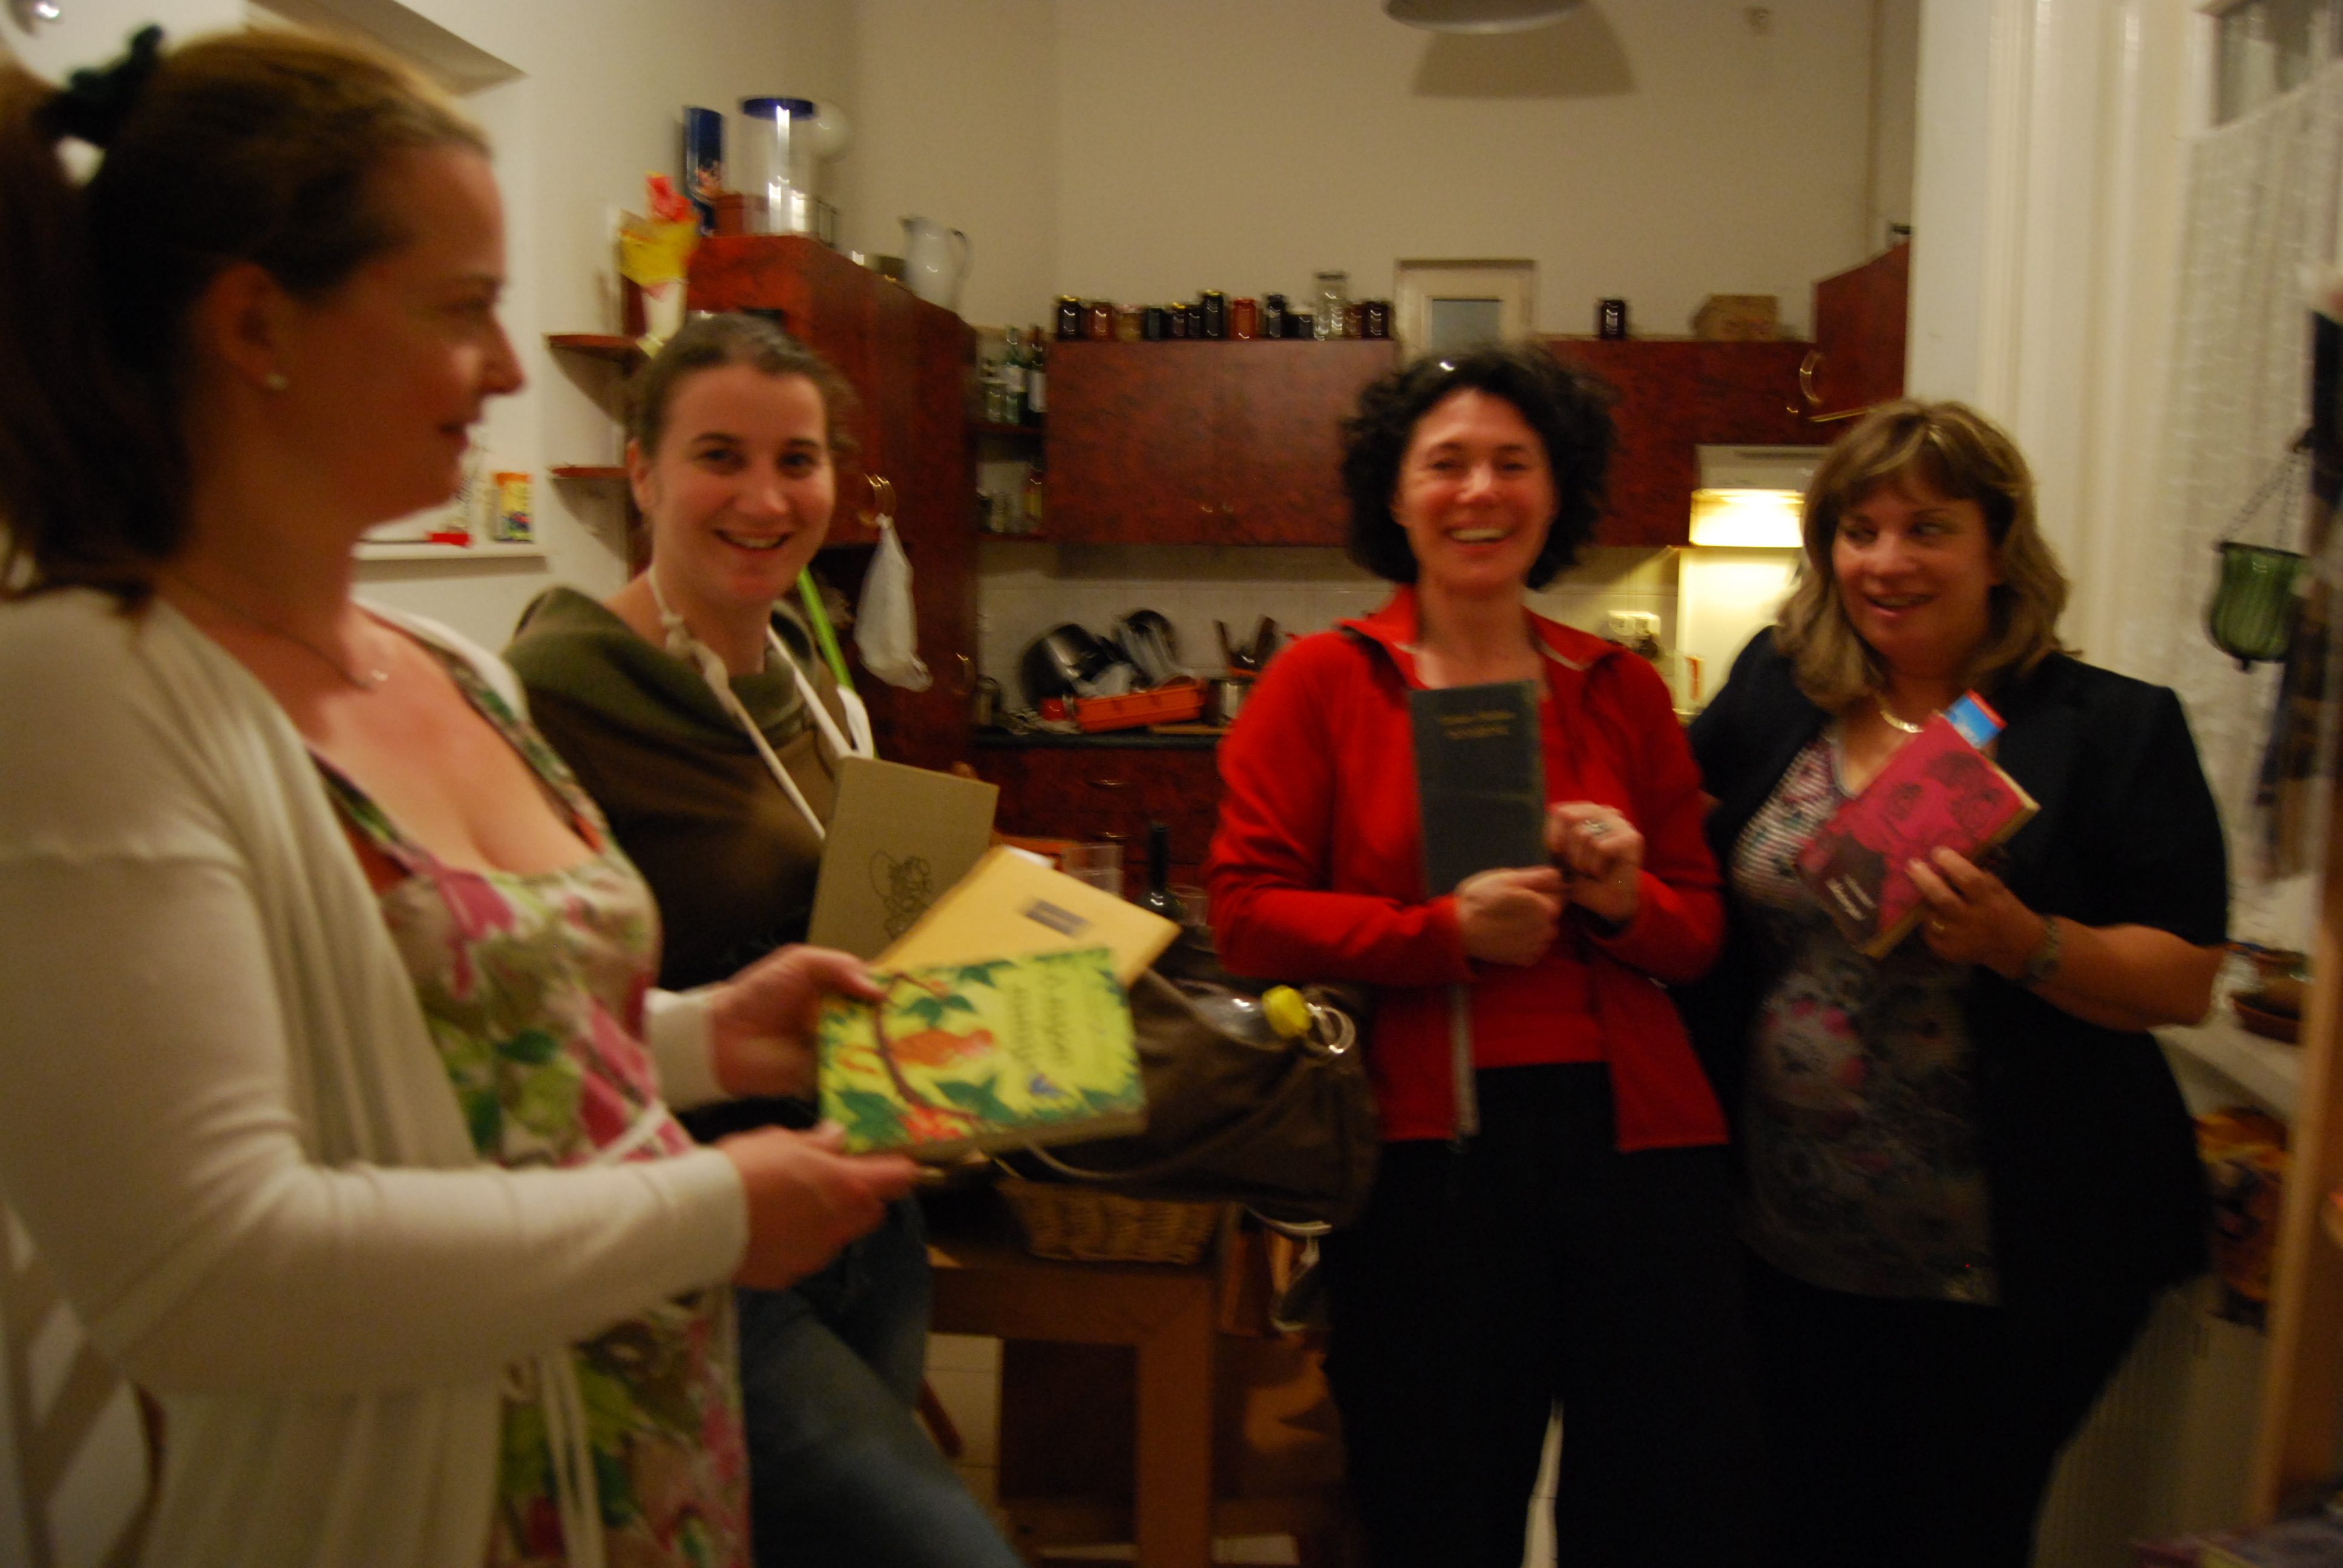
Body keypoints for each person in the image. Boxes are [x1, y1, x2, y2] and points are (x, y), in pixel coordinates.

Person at [0, 28, 919, 1567]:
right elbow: (208, 1274)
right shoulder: (86, 687)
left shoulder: (454, 669)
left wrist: (705, 1035)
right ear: (255, 323)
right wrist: (707, 1212)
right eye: (460, 308)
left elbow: (471, 1058)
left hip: (651, 1486)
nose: (505, 368)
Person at [1207, 343, 1766, 1568]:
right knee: (1438, 1511)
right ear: (1397, 494)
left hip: (1643, 1160)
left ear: (1556, 492)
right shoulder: (1320, 683)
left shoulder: (1616, 688)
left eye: (1513, 463)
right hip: (1427, 1165)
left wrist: (1620, 901)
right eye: (1446, 463)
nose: (1480, 491)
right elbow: (1244, 914)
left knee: (1657, 1513)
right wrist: (1439, 937)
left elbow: (1697, 932)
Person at [505, 315, 1024, 1568]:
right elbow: (531, 1012)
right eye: (719, 457)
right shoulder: (554, 691)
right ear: (641, 472)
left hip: (863, 1201)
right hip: (705, 1228)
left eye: (798, 460)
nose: (765, 498)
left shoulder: (803, 671)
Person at [1680, 399, 2226, 1568]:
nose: (1888, 562)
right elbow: (1680, 840)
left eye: (1928, 528)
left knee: (1953, 1540)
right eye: (1860, 530)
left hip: (2005, 1268)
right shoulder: (1779, 688)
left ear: (1998, 548)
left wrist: (2022, 941)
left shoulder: (2112, 728)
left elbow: (2186, 978)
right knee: (1792, 1532)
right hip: (1785, 1247)